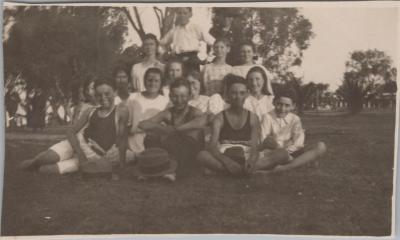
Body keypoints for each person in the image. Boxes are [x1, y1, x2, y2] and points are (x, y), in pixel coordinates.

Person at [19, 80, 130, 178]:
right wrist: (80, 154)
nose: (103, 98)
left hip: (94, 155)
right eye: (99, 95)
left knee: (46, 170)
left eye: (107, 93)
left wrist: (122, 167)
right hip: (76, 145)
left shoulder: (121, 111)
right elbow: (71, 131)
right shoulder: (91, 111)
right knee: (45, 159)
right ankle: (33, 162)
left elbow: (123, 140)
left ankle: (38, 165)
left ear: (115, 92)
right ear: (95, 96)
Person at [138, 79, 205, 179]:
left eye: (183, 96)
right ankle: (152, 168)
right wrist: (162, 128)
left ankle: (171, 171)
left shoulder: (195, 112)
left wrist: (177, 129)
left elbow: (202, 121)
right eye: (175, 96)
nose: (179, 100)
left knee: (185, 141)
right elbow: (142, 124)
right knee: (151, 137)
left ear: (189, 96)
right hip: (173, 149)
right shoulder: (168, 113)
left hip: (189, 152)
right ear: (170, 96)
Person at [196, 74, 260, 176]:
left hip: (246, 153)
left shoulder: (253, 117)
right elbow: (212, 147)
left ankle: (224, 171)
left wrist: (251, 160)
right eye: (234, 93)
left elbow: (255, 147)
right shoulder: (219, 118)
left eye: (242, 93)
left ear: (247, 94)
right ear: (227, 95)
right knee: (201, 155)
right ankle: (244, 171)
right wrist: (227, 162)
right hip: (225, 153)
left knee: (281, 153)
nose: (238, 97)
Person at [256, 90, 327, 172]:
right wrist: (280, 147)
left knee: (321, 146)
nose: (283, 108)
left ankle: (284, 167)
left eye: (287, 105)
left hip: (292, 151)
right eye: (279, 104)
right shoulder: (267, 117)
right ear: (273, 103)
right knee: (271, 144)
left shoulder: (295, 119)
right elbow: (264, 140)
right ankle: (300, 162)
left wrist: (287, 150)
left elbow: (298, 143)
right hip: (274, 152)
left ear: (293, 106)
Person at [128, 68, 170, 158]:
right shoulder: (133, 97)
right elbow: (129, 125)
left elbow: (166, 127)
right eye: (149, 80)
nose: (152, 84)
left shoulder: (165, 101)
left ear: (161, 83)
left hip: (156, 143)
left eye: (156, 81)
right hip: (134, 143)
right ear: (144, 81)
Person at [160, 7, 215, 72]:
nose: (182, 16)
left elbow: (214, 43)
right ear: (177, 14)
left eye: (185, 13)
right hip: (178, 61)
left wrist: (208, 59)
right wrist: (165, 54)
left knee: (192, 80)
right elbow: (161, 43)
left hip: (192, 61)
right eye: (179, 13)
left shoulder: (196, 28)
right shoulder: (174, 30)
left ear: (190, 14)